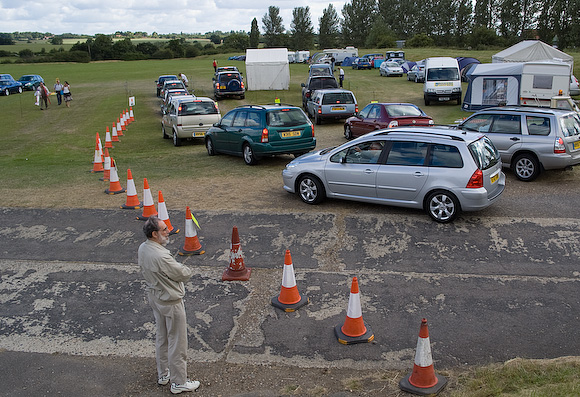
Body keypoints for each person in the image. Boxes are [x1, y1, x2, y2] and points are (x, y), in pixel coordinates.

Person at [138, 216, 201, 394]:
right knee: (178, 341)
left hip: (155, 297)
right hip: (170, 301)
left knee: (162, 336)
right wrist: (188, 270)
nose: (168, 232)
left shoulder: (143, 248)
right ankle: (179, 381)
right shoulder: (161, 255)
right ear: (154, 234)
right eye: (164, 229)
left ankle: (163, 373)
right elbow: (182, 273)